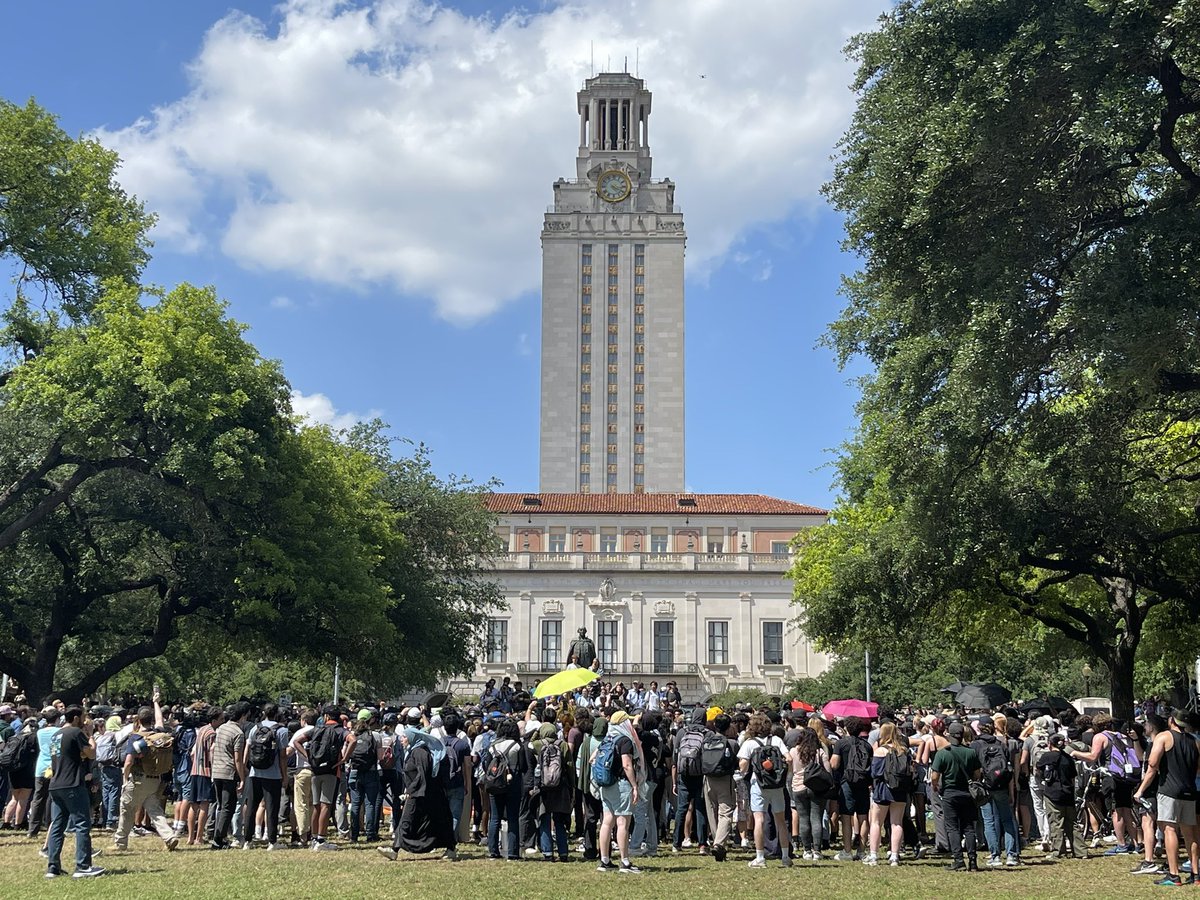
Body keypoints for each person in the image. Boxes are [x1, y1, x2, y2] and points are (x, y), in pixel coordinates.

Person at [1134, 709, 1200, 886]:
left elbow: (1153, 764)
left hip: (1169, 790)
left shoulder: (1164, 737)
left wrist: (1141, 790)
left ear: (1172, 720)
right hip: (1190, 790)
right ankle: (1195, 874)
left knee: (1169, 829)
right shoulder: (1195, 741)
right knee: (1190, 833)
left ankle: (1174, 874)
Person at [110, 693, 179, 853]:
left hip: (138, 779)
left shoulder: (136, 738)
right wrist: (156, 702)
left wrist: (125, 778)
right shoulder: (158, 734)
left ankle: (120, 843)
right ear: (151, 721)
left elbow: (128, 762)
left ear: (138, 720)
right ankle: (170, 837)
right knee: (154, 809)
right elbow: (160, 720)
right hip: (155, 780)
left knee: (126, 810)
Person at [43, 706, 104, 880]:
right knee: (82, 824)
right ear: (76, 718)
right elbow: (91, 753)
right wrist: (91, 734)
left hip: (56, 785)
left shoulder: (56, 735)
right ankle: (83, 866)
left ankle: (53, 867)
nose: (85, 720)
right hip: (73, 784)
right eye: (83, 717)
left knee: (57, 826)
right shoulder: (76, 733)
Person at [379, 727, 457, 861]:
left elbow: (422, 774)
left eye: (404, 737)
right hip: (419, 792)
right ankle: (394, 849)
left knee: (409, 820)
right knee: (427, 821)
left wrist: (410, 791)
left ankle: (394, 849)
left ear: (411, 738)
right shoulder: (413, 751)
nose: (402, 740)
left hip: (421, 794)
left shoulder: (420, 752)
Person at [739, 712, 792, 868]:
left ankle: (760, 857)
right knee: (780, 821)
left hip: (758, 784)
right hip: (776, 784)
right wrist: (783, 773)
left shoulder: (750, 743)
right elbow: (788, 758)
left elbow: (743, 764)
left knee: (759, 819)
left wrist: (745, 772)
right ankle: (785, 856)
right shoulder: (776, 740)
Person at [595, 710, 643, 874]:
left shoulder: (607, 739)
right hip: (621, 784)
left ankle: (605, 860)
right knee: (623, 823)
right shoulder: (624, 741)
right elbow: (627, 765)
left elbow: (593, 759)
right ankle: (625, 861)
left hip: (606, 784)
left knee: (607, 822)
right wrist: (635, 785)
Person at [930, 721, 982, 872]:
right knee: (968, 828)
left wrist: (935, 786)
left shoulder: (943, 753)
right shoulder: (970, 752)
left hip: (949, 793)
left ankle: (958, 859)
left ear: (949, 734)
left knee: (952, 827)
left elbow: (934, 776)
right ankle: (973, 861)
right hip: (967, 793)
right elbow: (977, 774)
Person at [971, 718, 1020, 867]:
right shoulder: (1001, 744)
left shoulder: (975, 745)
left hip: (985, 786)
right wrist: (1012, 791)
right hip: (1002, 786)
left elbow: (975, 769)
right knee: (1007, 819)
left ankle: (995, 856)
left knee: (989, 821)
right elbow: (1008, 770)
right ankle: (1011, 855)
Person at [243, 703, 288, 849]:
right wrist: (284, 775)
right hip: (273, 775)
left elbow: (247, 748)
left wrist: (245, 766)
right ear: (277, 714)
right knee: (271, 808)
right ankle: (272, 841)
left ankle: (247, 841)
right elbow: (282, 756)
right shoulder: (281, 730)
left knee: (251, 806)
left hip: (254, 773)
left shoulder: (255, 728)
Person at [866, 722, 911, 867]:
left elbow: (874, 773)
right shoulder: (904, 750)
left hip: (882, 789)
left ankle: (873, 855)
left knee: (876, 822)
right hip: (900, 789)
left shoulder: (880, 751)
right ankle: (895, 856)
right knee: (897, 823)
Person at [1038, 733, 1087, 860]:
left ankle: (1058, 851)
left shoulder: (1046, 757)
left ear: (1050, 744)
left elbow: (1039, 771)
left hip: (1052, 793)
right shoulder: (1068, 758)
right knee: (1072, 823)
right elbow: (1072, 777)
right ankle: (1081, 851)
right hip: (1068, 792)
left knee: (1056, 822)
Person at [830, 715, 872, 861]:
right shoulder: (867, 745)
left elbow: (834, 764)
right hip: (863, 783)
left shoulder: (841, 744)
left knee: (846, 817)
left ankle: (847, 851)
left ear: (846, 728)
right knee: (863, 817)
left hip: (846, 782)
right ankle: (861, 851)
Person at [532, 720, 574, 861]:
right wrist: (571, 785)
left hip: (544, 788)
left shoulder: (538, 745)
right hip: (560, 787)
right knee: (559, 821)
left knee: (544, 819)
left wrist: (536, 733)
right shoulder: (563, 745)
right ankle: (563, 853)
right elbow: (569, 766)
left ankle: (548, 852)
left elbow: (529, 743)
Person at [209, 701, 248, 851]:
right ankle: (219, 839)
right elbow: (237, 758)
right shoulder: (238, 733)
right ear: (242, 717)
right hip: (228, 773)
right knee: (228, 807)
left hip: (217, 771)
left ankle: (218, 836)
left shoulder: (220, 728)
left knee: (220, 806)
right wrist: (242, 777)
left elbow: (213, 749)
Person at [485, 717, 525, 860]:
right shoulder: (517, 746)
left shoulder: (492, 745)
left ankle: (493, 850)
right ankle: (513, 852)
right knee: (513, 818)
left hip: (495, 783)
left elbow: (487, 765)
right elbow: (524, 766)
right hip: (513, 783)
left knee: (495, 817)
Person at [790, 724, 831, 860]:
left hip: (798, 786)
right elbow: (828, 771)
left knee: (803, 818)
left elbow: (790, 770)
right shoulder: (819, 752)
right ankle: (817, 850)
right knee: (816, 818)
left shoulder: (794, 751)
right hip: (817, 787)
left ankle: (806, 850)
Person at [704, 712, 739, 861]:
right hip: (725, 779)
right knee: (725, 812)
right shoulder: (731, 743)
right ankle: (719, 844)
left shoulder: (707, 741)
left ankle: (717, 841)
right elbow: (737, 762)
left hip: (708, 779)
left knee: (712, 811)